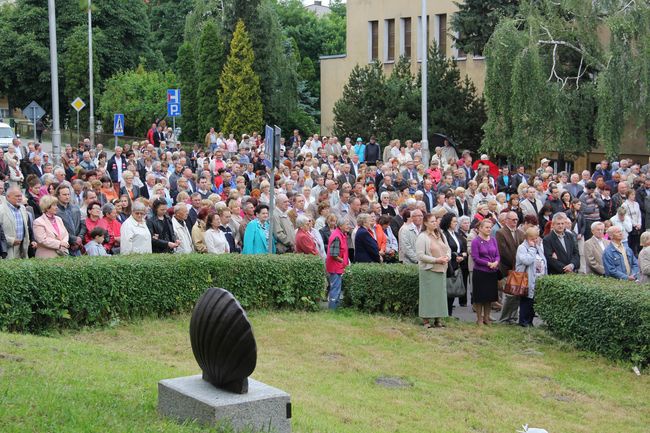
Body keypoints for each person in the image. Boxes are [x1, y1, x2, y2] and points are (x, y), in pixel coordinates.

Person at [416, 213, 451, 328]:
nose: (435, 223)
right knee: (428, 296)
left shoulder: (440, 234)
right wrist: (436, 260)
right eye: (432, 221)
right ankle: (426, 320)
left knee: (439, 296)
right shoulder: (422, 237)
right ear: (425, 223)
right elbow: (420, 255)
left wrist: (447, 257)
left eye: (435, 221)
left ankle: (438, 319)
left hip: (441, 269)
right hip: (429, 270)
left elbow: (448, 249)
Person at [496, 211, 526, 324]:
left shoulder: (520, 232)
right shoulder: (501, 233)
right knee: (509, 296)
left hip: (517, 268)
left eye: (516, 220)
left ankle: (512, 317)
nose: (515, 222)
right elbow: (503, 252)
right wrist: (517, 262)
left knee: (516, 294)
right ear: (507, 220)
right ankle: (504, 318)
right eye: (513, 220)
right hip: (507, 268)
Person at [515, 227, 547, 327]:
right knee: (526, 301)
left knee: (533, 301)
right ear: (527, 238)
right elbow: (527, 260)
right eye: (532, 239)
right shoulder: (522, 247)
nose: (534, 241)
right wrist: (532, 248)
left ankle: (530, 321)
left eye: (536, 238)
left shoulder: (538, 246)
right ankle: (524, 321)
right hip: (526, 279)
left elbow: (543, 260)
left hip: (537, 278)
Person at [471, 219, 500, 326]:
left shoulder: (493, 240)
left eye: (490, 227)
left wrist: (496, 262)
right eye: (487, 227)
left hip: (492, 272)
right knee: (480, 297)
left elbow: (497, 254)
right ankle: (479, 319)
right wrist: (488, 263)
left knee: (489, 297)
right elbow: (475, 257)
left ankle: (487, 318)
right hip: (480, 272)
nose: (489, 229)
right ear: (480, 228)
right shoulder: (476, 241)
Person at [440, 213, 466, 317]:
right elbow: (445, 250)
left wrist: (462, 256)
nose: (456, 223)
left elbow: (463, 249)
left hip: (457, 265)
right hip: (449, 265)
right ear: (448, 222)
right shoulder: (444, 235)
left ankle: (449, 314)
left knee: (453, 291)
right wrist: (457, 256)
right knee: (448, 291)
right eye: (454, 221)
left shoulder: (456, 234)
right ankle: (446, 314)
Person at [326, 217, 351, 309]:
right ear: (340, 226)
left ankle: (335, 308)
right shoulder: (337, 236)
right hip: (335, 267)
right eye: (347, 224)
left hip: (339, 266)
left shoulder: (342, 234)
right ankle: (332, 310)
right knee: (335, 289)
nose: (349, 226)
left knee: (337, 288)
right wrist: (343, 261)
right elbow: (333, 254)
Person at [55, 184, 84, 256]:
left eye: (68, 194)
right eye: (64, 194)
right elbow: (57, 230)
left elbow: (82, 224)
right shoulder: (55, 211)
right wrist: (74, 239)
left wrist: (80, 237)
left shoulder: (75, 208)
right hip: (64, 246)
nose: (67, 197)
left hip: (77, 246)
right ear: (58, 195)